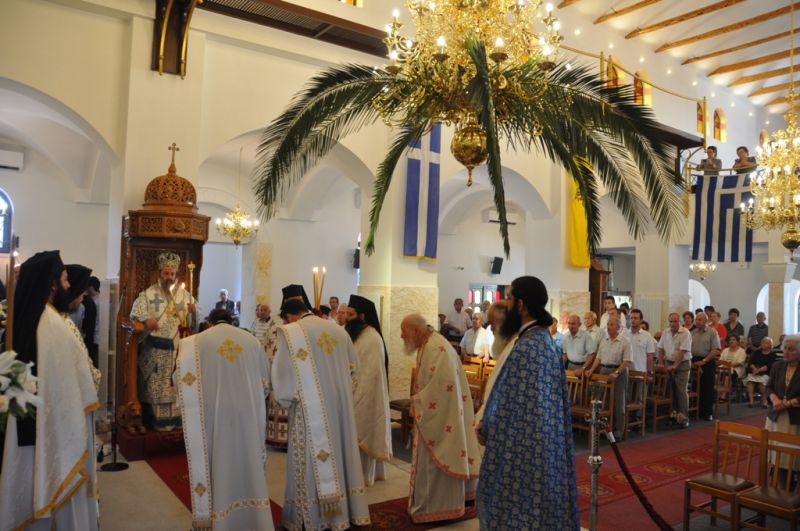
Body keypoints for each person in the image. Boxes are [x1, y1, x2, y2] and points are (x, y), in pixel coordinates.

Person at [0, 251, 100, 530]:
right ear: (52, 284)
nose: (70, 286)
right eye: (66, 280)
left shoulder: (34, 317)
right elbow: (71, 386)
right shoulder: (52, 324)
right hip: (53, 429)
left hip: (30, 425)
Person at [477, 276, 579, 529]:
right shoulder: (544, 341)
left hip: (523, 449)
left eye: (510, 298)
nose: (507, 304)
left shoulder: (527, 347)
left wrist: (487, 425)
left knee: (517, 506)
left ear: (520, 305)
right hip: (544, 443)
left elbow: (510, 401)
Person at [272, 297, 370, 529]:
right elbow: (354, 369)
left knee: (308, 461)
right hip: (339, 411)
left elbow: (283, 380)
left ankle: (311, 518)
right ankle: (340, 515)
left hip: (309, 412)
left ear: (290, 316)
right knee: (339, 456)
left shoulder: (290, 333)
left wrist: (287, 399)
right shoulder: (338, 331)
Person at [174, 309, 273, 530]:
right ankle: (252, 521)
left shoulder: (193, 344)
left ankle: (220, 519)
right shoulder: (252, 341)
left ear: (209, 323)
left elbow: (180, 382)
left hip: (213, 418)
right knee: (248, 464)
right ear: (232, 321)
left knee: (217, 466)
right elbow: (265, 384)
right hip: (246, 418)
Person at [401, 313, 480, 523]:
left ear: (416, 331)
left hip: (441, 418)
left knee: (435, 463)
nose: (401, 336)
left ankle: (434, 508)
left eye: (404, 332)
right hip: (443, 415)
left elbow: (440, 390)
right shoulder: (430, 344)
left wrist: (418, 403)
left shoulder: (436, 348)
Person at [130, 252, 200, 431]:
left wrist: (194, 311)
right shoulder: (148, 294)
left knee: (177, 384)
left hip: (178, 348)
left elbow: (197, 317)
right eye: (165, 273)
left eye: (172, 274)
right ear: (159, 274)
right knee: (159, 385)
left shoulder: (184, 295)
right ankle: (157, 421)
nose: (169, 277)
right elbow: (135, 312)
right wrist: (146, 320)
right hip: (155, 348)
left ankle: (177, 420)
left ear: (176, 275)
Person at [345, 294, 392, 486]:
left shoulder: (372, 338)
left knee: (362, 430)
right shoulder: (354, 334)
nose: (346, 318)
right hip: (352, 389)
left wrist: (356, 393)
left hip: (366, 393)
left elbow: (371, 374)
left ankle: (363, 476)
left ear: (362, 316)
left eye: (350, 314)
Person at [584, 316, 631, 439]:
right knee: (602, 400)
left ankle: (618, 432)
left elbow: (626, 361)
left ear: (619, 327)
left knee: (618, 402)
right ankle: (603, 428)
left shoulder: (625, 341)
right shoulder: (604, 340)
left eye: (612, 325)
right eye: (608, 324)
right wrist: (591, 369)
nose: (609, 327)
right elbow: (598, 358)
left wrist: (616, 373)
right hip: (604, 370)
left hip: (618, 372)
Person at [765, 336, 800, 477]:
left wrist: (788, 403)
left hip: (794, 416)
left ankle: (791, 477)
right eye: (785, 348)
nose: (786, 352)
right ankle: (778, 472)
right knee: (776, 450)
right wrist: (774, 399)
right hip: (776, 413)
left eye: (791, 350)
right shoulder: (777, 366)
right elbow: (769, 387)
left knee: (790, 454)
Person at [658, 312, 693, 429]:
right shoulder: (666, 332)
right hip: (669, 362)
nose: (673, 324)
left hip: (682, 364)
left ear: (680, 322)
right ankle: (673, 415)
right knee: (671, 391)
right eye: (671, 321)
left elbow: (683, 352)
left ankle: (683, 418)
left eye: (675, 321)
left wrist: (675, 365)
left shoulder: (685, 333)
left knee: (681, 390)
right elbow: (660, 348)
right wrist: (661, 363)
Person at [690, 312, 721, 421]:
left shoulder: (712, 332)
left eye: (700, 319)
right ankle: (695, 410)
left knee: (707, 387)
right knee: (695, 386)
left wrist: (704, 361)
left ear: (705, 321)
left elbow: (716, 350)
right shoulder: (693, 333)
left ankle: (707, 412)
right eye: (696, 319)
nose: (697, 321)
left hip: (707, 361)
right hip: (694, 361)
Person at [744, 337, 778, 408]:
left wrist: (758, 370)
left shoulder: (772, 354)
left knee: (761, 385)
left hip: (765, 373)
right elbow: (751, 362)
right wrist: (754, 369)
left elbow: (768, 366)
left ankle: (764, 401)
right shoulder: (756, 352)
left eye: (766, 343)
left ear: (770, 345)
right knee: (750, 383)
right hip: (754, 371)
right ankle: (751, 401)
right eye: (763, 342)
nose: (763, 344)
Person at [629, 308, 657, 374]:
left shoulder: (647, 336)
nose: (633, 320)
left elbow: (650, 356)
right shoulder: (624, 334)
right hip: (627, 371)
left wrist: (649, 373)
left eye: (635, 318)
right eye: (631, 318)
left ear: (641, 320)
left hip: (641, 371)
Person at [720, 335, 746, 401]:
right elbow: (721, 360)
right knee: (716, 374)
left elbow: (739, 362)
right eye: (730, 340)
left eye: (733, 340)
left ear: (737, 341)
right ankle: (719, 392)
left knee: (727, 375)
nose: (731, 341)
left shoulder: (742, 351)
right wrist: (725, 365)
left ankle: (724, 394)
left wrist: (728, 365)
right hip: (724, 368)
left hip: (737, 369)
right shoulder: (725, 350)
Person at [84, 276, 101, 368]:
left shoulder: (94, 301)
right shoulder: (101, 299)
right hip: (99, 337)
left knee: (95, 362)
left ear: (91, 287)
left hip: (95, 336)